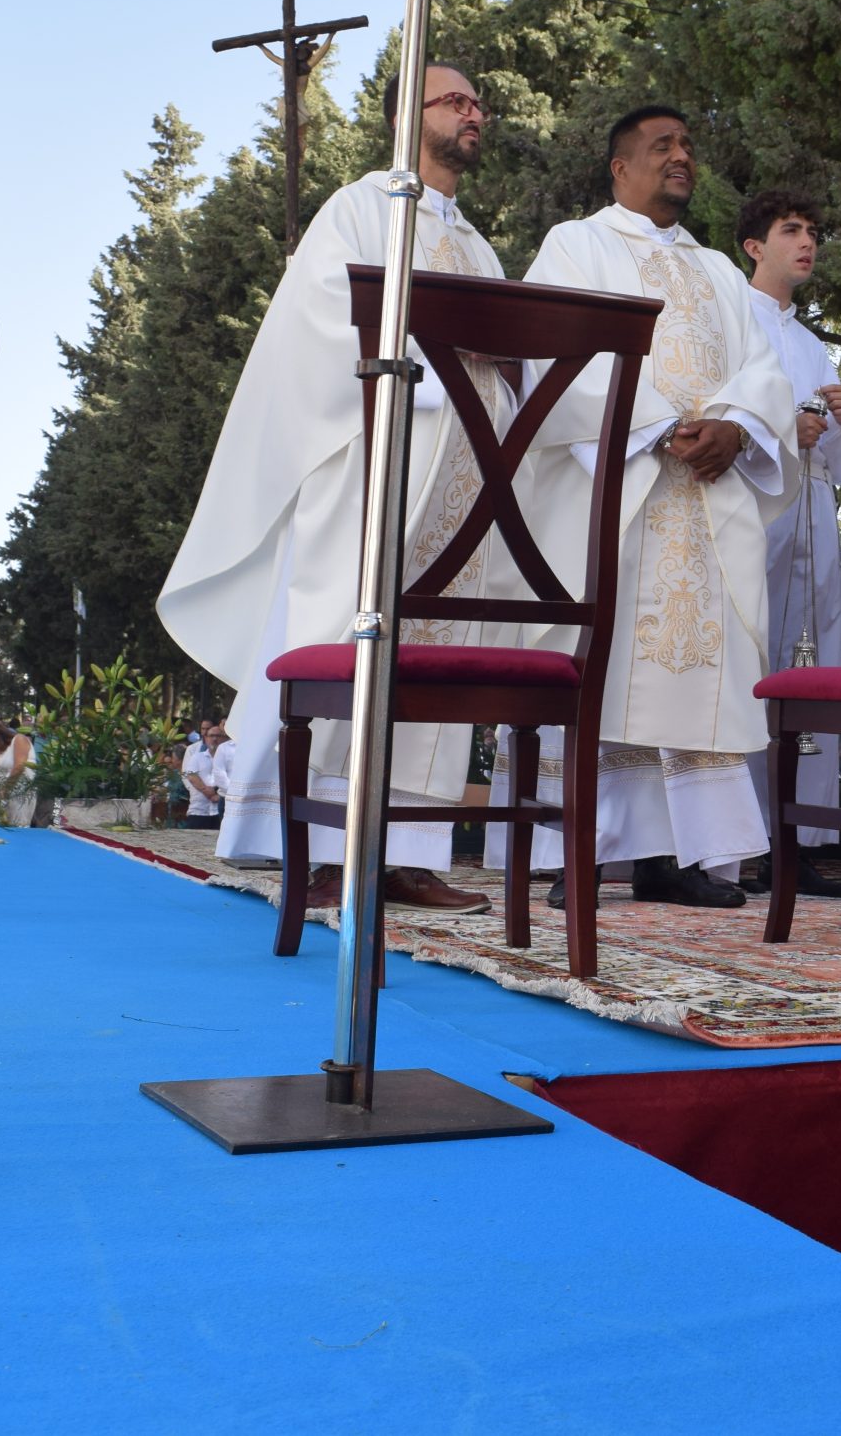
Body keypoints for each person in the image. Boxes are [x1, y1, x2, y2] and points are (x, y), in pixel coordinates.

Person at [158, 65, 512, 915]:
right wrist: (435, 370)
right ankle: (321, 847)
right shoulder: (360, 208)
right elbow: (321, 321)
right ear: (405, 116)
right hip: (372, 463)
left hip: (461, 478)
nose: (473, 113)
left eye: (477, 103)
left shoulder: (478, 244)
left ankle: (408, 853)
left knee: (433, 651)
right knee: (349, 636)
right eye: (454, 101)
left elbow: (511, 354)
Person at [514, 105, 798, 911]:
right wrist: (659, 424)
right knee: (605, 665)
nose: (681, 156)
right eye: (662, 145)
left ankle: (676, 855)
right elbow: (552, 348)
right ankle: (578, 850)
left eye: (687, 146)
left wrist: (736, 428)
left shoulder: (717, 270)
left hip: (704, 498)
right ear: (620, 166)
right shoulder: (577, 244)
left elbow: (763, 371)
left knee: (696, 670)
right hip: (617, 486)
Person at [736, 189, 841, 900]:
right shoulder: (731, 318)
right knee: (750, 668)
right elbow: (713, 412)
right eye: (790, 230)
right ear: (753, 246)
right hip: (754, 514)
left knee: (810, 667)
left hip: (814, 518)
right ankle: (738, 838)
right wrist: (779, 429)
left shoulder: (811, 341)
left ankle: (795, 841)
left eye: (813, 232)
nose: (807, 242)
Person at [181, 722, 226, 830]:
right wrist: (207, 791)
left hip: (221, 812)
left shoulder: (230, 760)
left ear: (223, 739)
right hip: (199, 811)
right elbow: (191, 775)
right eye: (211, 736)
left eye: (218, 736)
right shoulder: (197, 757)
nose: (214, 739)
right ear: (206, 738)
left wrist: (219, 795)